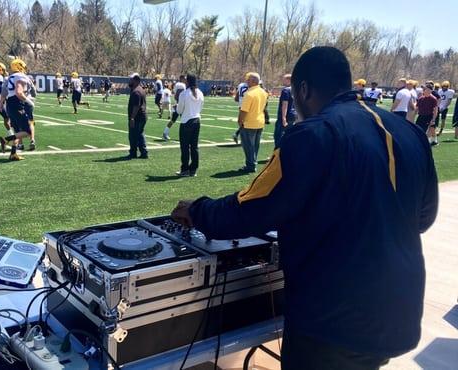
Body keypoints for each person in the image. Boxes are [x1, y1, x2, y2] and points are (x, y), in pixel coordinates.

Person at [171, 46, 438, 370]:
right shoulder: (410, 132)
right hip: (398, 311)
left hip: (333, 321)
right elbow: (424, 217)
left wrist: (197, 209)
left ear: (303, 90)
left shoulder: (312, 135)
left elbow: (249, 211)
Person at [0, 58, 34, 161]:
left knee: (17, 131)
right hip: (17, 103)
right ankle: (6, 139)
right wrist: (29, 102)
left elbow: (4, 92)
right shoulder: (20, 76)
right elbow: (19, 92)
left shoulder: (10, 77)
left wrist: (1, 103)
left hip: (10, 104)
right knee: (27, 131)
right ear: (20, 66)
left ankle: (13, 153)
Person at [237, 72, 268, 173]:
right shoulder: (263, 92)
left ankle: (250, 165)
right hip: (260, 122)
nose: (246, 81)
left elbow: (244, 110)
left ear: (254, 81)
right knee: (255, 145)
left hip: (249, 123)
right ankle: (253, 162)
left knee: (248, 146)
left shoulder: (249, 94)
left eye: (248, 80)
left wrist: (240, 121)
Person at [176, 74, 204, 177]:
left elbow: (179, 110)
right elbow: (200, 108)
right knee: (194, 147)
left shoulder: (184, 94)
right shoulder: (200, 93)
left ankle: (185, 169)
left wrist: (178, 108)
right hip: (197, 121)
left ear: (187, 82)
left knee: (184, 147)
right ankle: (193, 170)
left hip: (186, 122)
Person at [127, 73, 148, 159]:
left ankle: (135, 152)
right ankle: (143, 152)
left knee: (134, 135)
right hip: (141, 116)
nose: (129, 81)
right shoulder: (139, 89)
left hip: (137, 117)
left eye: (131, 80)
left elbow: (136, 106)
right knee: (139, 134)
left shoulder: (136, 92)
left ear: (136, 81)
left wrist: (132, 118)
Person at [274, 73, 296, 148]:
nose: (283, 81)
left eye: (284, 79)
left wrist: (283, 118)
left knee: (278, 136)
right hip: (293, 115)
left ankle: (277, 154)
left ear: (289, 80)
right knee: (289, 135)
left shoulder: (286, 90)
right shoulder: (296, 89)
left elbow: (285, 104)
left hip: (285, 116)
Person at [162, 75, 187, 140]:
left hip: (177, 105)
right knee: (183, 120)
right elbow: (178, 96)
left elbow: (176, 95)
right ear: (181, 78)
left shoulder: (178, 85)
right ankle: (184, 136)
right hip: (180, 106)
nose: (185, 79)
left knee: (173, 120)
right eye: (184, 78)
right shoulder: (181, 85)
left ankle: (165, 132)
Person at [232, 73, 250, 144]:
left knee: (243, 123)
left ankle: (238, 134)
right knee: (248, 123)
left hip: (241, 106)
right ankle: (239, 135)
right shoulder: (252, 85)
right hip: (248, 106)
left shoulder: (241, 85)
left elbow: (236, 98)